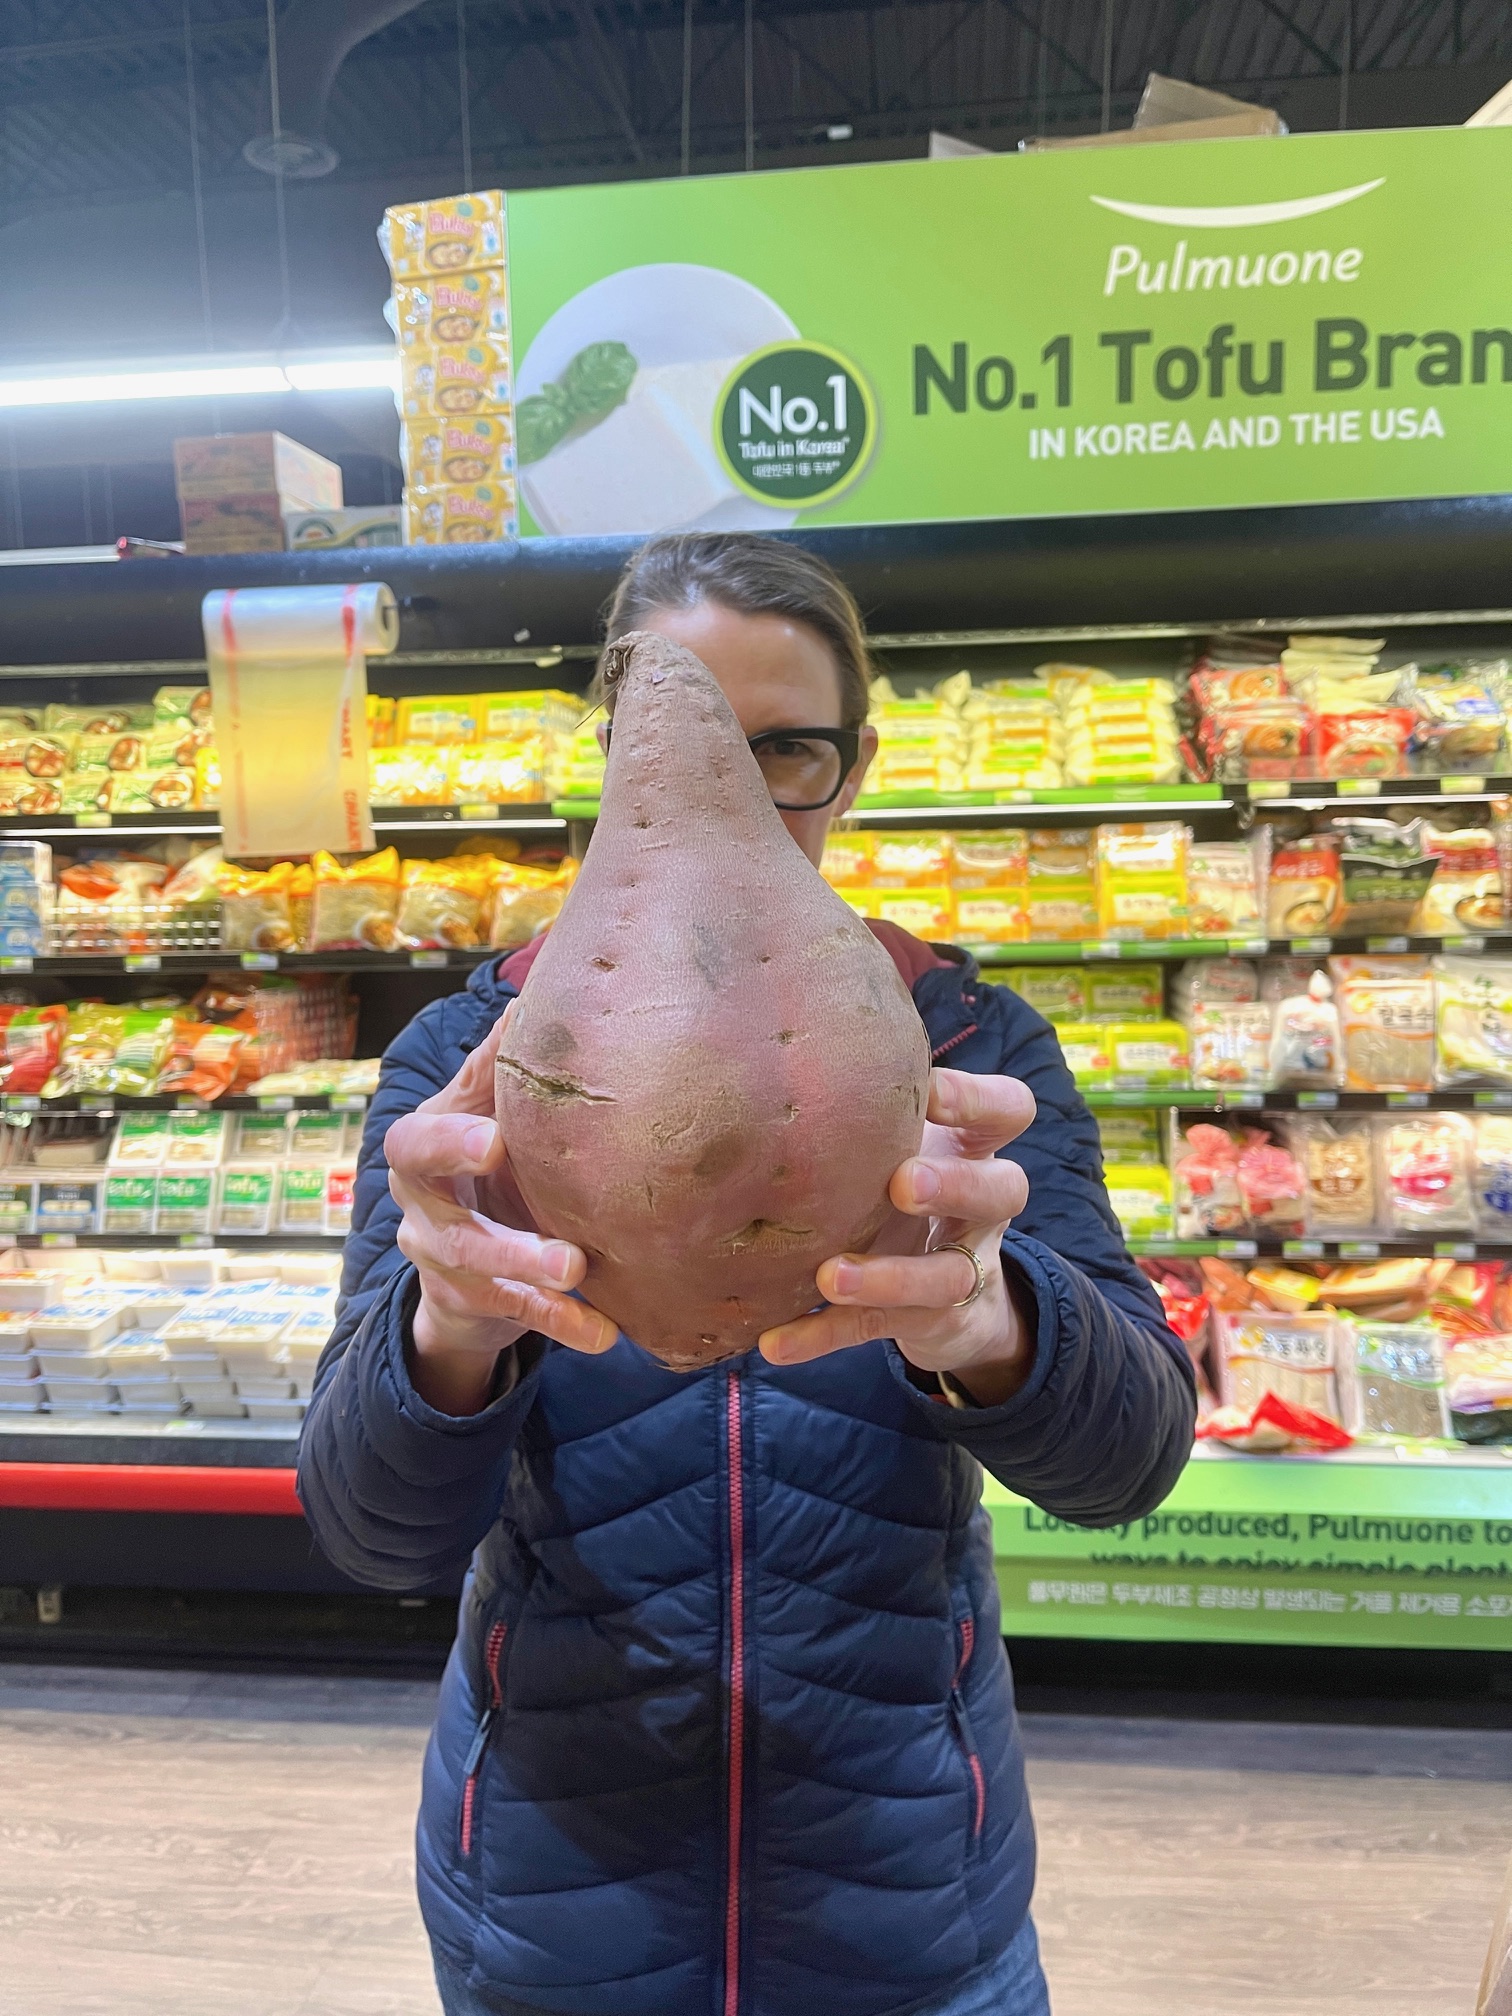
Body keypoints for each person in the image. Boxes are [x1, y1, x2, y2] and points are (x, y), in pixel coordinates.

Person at [298, 531, 1196, 2016]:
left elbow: (1129, 1466)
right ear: (614, 761)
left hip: (906, 1878)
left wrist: (994, 1323)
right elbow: (370, 1536)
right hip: (555, 1885)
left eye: (786, 750)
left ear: (855, 767)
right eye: (690, 747)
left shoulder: (975, 1055)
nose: (735, 794)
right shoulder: (468, 1068)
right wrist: (447, 1323)